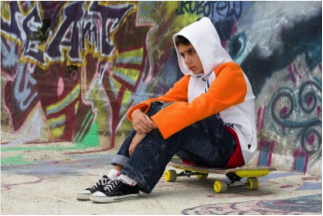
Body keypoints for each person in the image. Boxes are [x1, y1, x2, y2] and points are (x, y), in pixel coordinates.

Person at [77, 17, 257, 203]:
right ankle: (115, 174)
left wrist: (153, 123)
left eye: (191, 52)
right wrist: (138, 114)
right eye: (183, 54)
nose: (187, 61)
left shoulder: (230, 73)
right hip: (206, 149)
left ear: (206, 47)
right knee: (159, 109)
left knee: (176, 117)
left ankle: (131, 181)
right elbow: (161, 102)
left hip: (232, 148)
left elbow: (200, 108)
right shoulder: (192, 80)